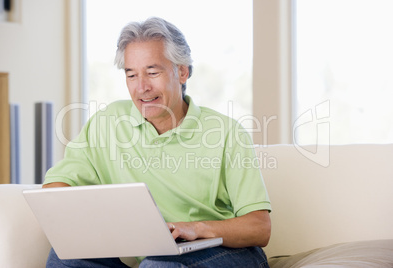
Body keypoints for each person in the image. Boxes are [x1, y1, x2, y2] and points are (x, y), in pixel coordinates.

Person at [43, 17, 271, 268]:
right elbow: (57, 187)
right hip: (153, 258)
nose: (141, 87)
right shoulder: (107, 123)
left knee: (159, 265)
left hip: (225, 253)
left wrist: (196, 228)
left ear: (182, 71)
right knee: (65, 258)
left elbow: (259, 227)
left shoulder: (227, 132)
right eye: (131, 75)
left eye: (152, 72)